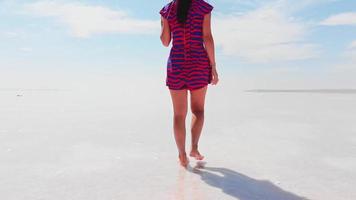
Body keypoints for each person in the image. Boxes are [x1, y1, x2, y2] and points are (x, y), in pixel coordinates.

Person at [160, 0, 219, 168]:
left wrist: (164, 20)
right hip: (198, 63)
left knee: (179, 114)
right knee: (198, 110)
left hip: (177, 65)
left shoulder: (168, 10)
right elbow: (207, 37)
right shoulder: (202, 7)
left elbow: (165, 42)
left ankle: (181, 154)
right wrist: (213, 66)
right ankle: (194, 148)